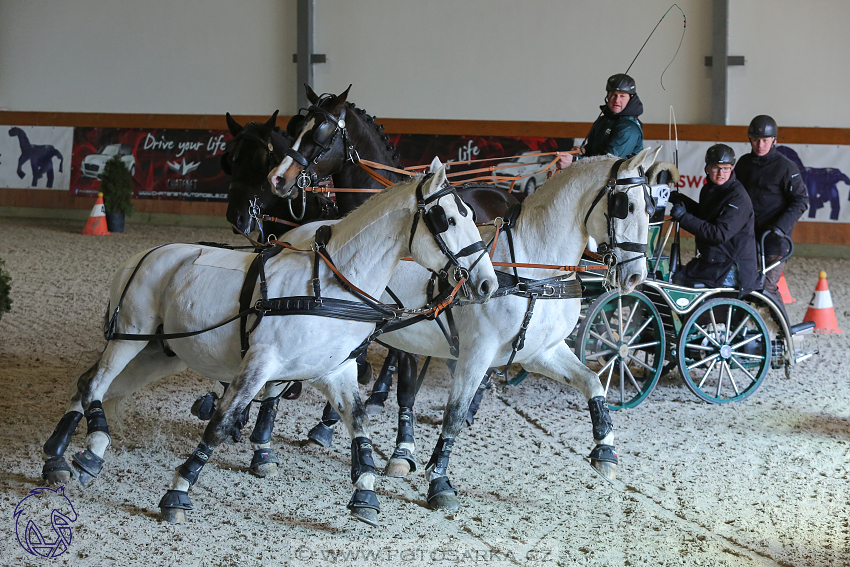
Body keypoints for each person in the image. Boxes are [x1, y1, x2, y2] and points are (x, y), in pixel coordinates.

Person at [734, 115, 808, 299]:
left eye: (765, 140)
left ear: (774, 140)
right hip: (747, 238)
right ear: (749, 139)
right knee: (743, 285)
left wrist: (780, 227)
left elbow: (801, 200)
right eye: (756, 140)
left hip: (774, 240)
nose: (760, 145)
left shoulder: (786, 167)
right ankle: (744, 325)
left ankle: (780, 327)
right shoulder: (743, 164)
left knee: (767, 288)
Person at [670, 144, 758, 295]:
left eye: (726, 168)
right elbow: (706, 217)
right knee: (675, 278)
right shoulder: (709, 189)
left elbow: (719, 234)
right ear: (707, 168)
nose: (720, 173)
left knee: (681, 283)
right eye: (716, 168)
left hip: (731, 266)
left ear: (731, 169)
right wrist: (681, 199)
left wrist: (683, 218)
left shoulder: (738, 198)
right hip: (714, 259)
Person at [557, 73, 644, 168]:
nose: (616, 101)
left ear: (630, 98)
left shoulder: (629, 127)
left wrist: (575, 161)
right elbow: (597, 152)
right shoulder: (604, 120)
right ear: (607, 96)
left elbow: (610, 161)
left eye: (622, 96)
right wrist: (584, 151)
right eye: (613, 95)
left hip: (618, 179)